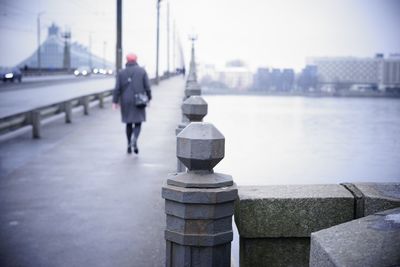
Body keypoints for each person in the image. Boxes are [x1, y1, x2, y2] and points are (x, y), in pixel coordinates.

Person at [113, 53, 151, 154]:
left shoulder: (121, 73)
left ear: (127, 60)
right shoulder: (142, 71)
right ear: (136, 60)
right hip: (139, 101)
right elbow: (147, 87)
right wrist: (149, 98)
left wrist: (115, 101)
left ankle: (129, 144)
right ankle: (135, 139)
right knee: (138, 122)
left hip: (125, 101)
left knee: (128, 123)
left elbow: (117, 88)